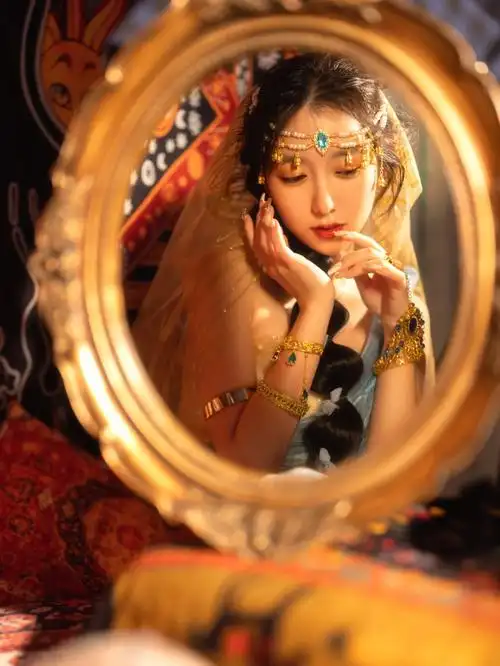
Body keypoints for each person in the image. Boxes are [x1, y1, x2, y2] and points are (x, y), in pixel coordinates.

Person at [132, 53, 435, 474]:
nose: (323, 204)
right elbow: (248, 462)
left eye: (346, 169)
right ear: (264, 180)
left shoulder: (397, 290)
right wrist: (315, 309)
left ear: (382, 170)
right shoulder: (230, 276)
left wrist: (396, 320)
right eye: (293, 175)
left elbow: (397, 479)